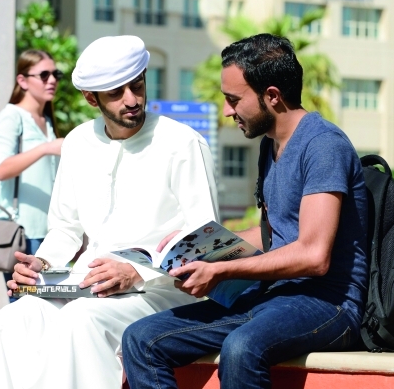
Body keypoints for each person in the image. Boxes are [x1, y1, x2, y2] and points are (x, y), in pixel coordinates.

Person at [122, 33, 369, 389]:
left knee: (242, 348)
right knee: (141, 339)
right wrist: (191, 248)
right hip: (274, 296)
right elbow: (274, 235)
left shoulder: (324, 146)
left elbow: (314, 254)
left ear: (272, 96)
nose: (227, 110)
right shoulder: (270, 145)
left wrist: (221, 269)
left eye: (233, 99)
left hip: (329, 304)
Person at [0, 35, 220, 389]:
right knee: (15, 318)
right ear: (91, 98)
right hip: (86, 285)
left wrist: (136, 272)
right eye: (116, 93)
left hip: (160, 293)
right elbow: (66, 229)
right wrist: (42, 266)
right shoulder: (79, 143)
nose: (132, 100)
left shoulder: (182, 143)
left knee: (82, 319)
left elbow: (206, 240)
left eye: (137, 86)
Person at [0, 49, 64, 298]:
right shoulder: (11, 117)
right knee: (25, 305)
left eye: (55, 74)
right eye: (44, 75)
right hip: (21, 233)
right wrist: (45, 148)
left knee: (42, 306)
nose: (52, 80)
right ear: (22, 81)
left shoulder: (46, 121)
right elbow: (1, 169)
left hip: (46, 232)